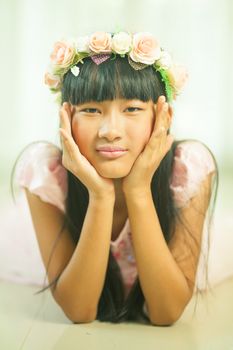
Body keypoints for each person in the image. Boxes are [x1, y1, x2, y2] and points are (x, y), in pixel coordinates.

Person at [13, 31, 219, 326]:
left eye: (132, 109)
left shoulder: (188, 168)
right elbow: (79, 311)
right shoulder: (45, 173)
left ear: (164, 117)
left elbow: (166, 313)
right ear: (66, 117)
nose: (110, 130)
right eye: (91, 110)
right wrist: (100, 196)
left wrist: (138, 190)